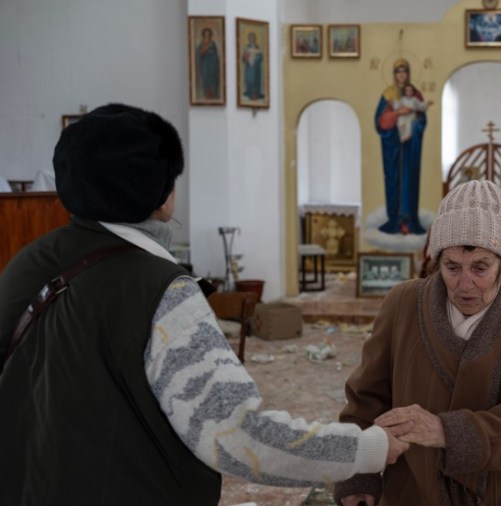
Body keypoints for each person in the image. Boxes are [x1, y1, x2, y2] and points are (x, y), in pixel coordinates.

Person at [0, 104, 408, 505]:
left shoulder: (25, 264)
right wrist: (366, 448)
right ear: (162, 195)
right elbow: (236, 435)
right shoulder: (162, 291)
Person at [334, 180, 501, 505]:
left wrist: (445, 431)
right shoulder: (403, 304)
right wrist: (358, 471)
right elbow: (367, 398)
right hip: (416, 487)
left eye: (480, 268)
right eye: (452, 267)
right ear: (437, 261)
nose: (465, 284)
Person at [375, 58, 428, 235]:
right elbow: (380, 123)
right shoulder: (388, 94)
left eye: (404, 72)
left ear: (409, 74)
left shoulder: (415, 94)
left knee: (409, 182)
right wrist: (396, 114)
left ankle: (410, 221)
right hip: (393, 147)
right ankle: (395, 221)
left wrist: (414, 127)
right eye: (398, 72)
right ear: (394, 74)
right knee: (394, 182)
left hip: (410, 147)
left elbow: (422, 119)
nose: (401, 75)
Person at [196, 27, 220, 99]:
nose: (207, 35)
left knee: (212, 79)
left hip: (212, 64)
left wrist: (211, 53)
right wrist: (205, 49)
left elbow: (215, 55)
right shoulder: (202, 43)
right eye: (206, 34)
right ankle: (206, 95)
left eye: (208, 34)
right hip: (205, 64)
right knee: (206, 78)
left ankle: (213, 95)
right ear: (203, 35)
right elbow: (199, 54)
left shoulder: (213, 43)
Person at [242, 31, 264, 102]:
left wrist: (255, 60)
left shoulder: (258, 47)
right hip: (249, 68)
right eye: (250, 38)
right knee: (249, 80)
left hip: (256, 68)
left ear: (255, 39)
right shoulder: (247, 47)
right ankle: (249, 93)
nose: (252, 39)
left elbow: (260, 57)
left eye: (253, 38)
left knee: (255, 80)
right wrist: (247, 59)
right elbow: (243, 58)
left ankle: (256, 94)